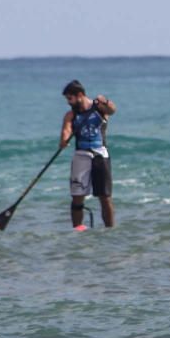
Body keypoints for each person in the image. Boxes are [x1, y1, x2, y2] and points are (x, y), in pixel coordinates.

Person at [59, 80, 116, 228]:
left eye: (70, 98)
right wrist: (64, 140)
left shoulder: (99, 108)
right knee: (77, 197)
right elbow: (66, 129)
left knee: (105, 197)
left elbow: (112, 110)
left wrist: (106, 101)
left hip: (100, 155)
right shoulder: (71, 115)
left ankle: (110, 230)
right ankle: (78, 230)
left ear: (80, 95)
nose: (68, 102)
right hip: (81, 156)